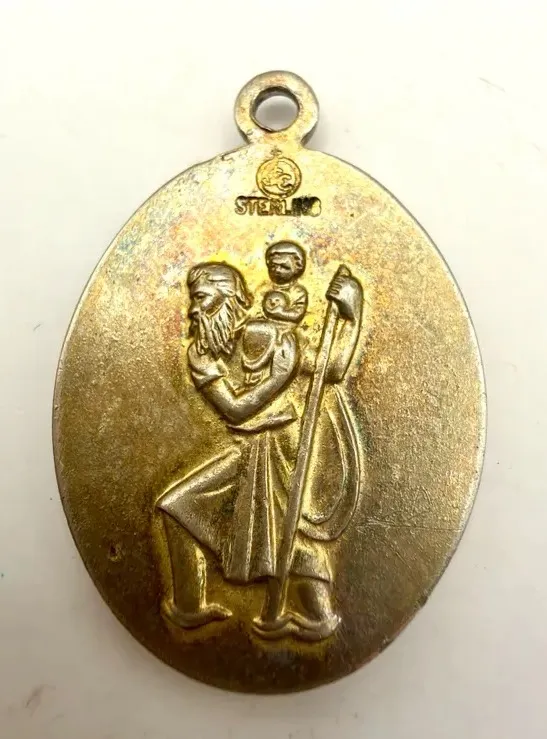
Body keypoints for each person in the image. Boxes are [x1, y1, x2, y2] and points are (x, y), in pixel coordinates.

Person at [156, 259, 363, 641]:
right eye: (193, 299)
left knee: (280, 531)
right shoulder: (201, 354)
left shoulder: (269, 335)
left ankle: (319, 615)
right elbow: (234, 409)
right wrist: (279, 378)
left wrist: (353, 315)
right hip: (248, 444)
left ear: (229, 299)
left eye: (202, 298)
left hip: (279, 443)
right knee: (179, 508)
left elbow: (331, 369)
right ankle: (188, 606)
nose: (193, 310)